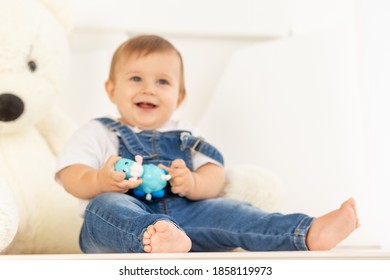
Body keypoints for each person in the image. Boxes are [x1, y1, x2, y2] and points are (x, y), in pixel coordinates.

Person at [55, 34, 359, 253]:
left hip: (186, 220)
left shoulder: (187, 133)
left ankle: (305, 232)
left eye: (163, 82)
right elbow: (71, 176)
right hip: (120, 229)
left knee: (234, 211)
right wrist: (99, 179)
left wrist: (194, 183)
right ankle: (152, 236)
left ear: (180, 97)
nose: (149, 89)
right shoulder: (98, 131)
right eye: (136, 78)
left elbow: (215, 175)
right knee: (105, 206)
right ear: (111, 90)